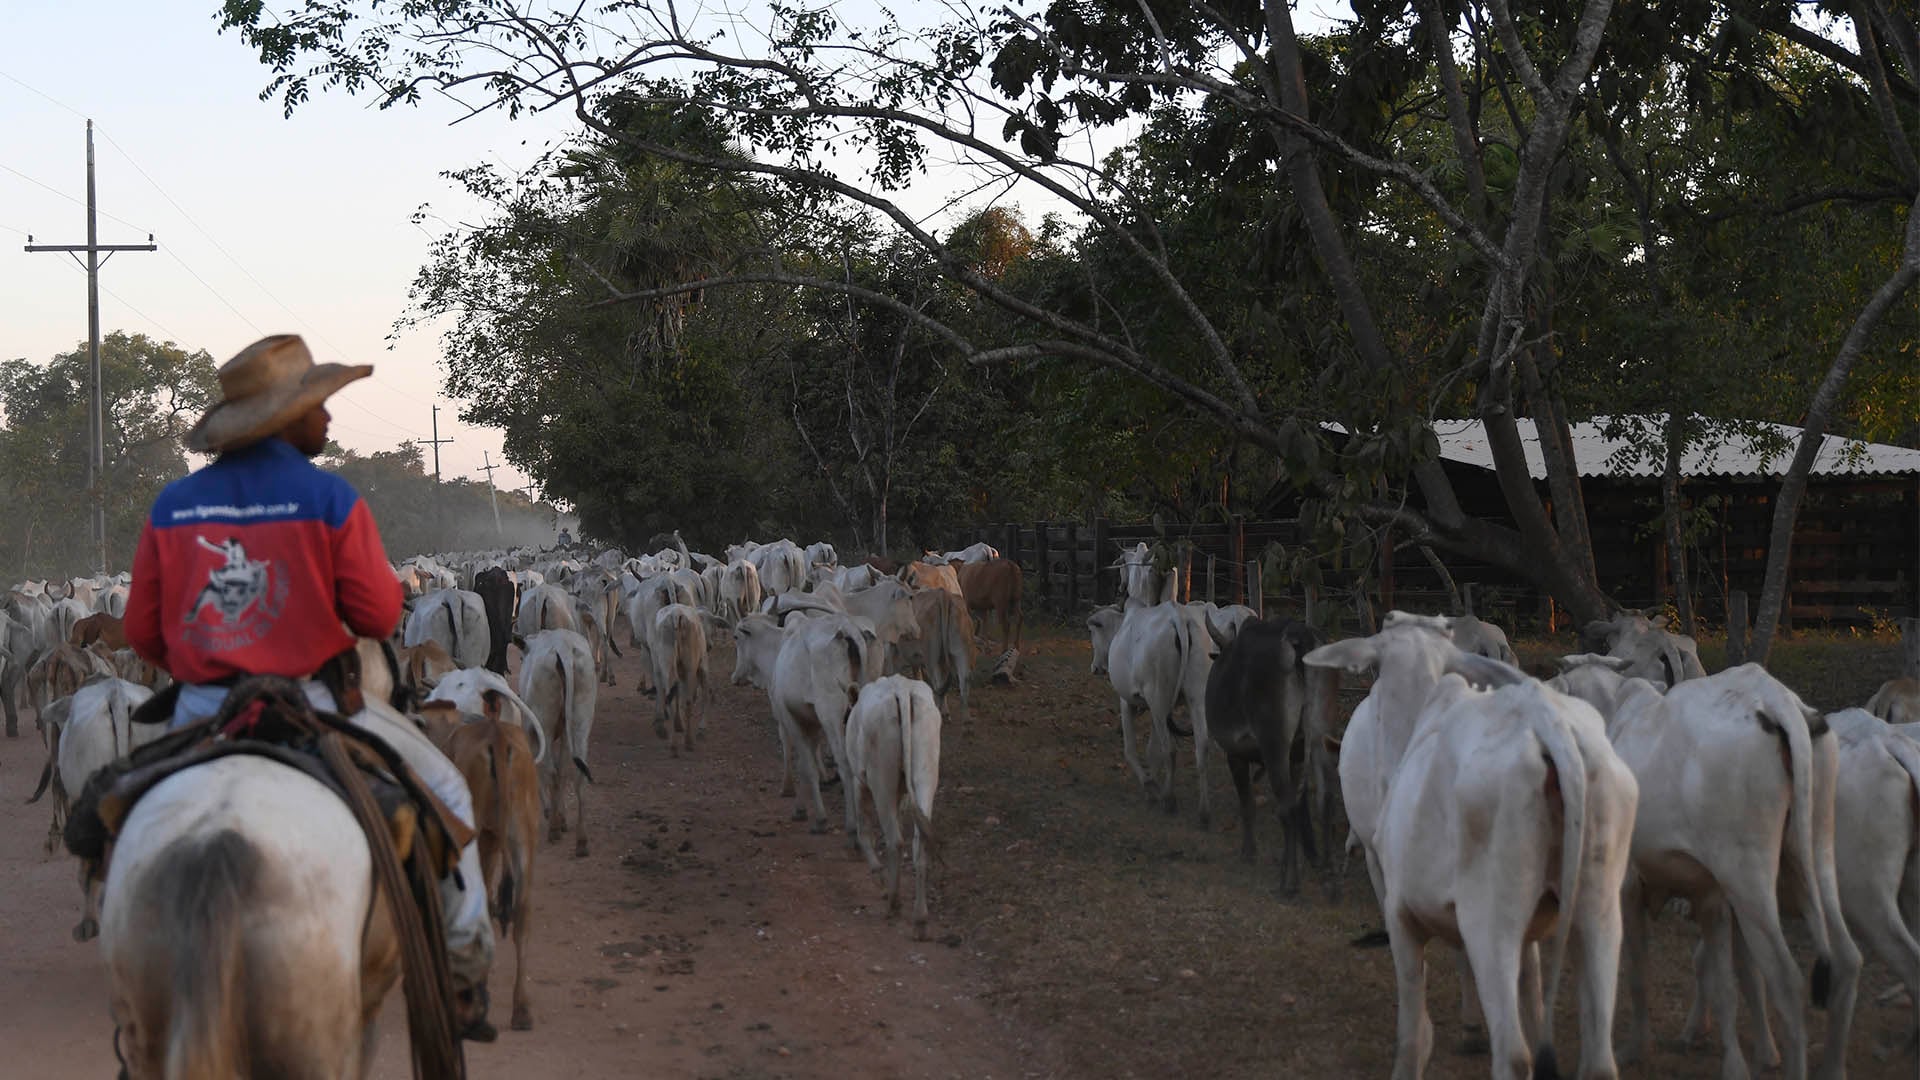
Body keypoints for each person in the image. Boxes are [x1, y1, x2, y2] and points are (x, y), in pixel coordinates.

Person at [124, 333, 495, 1005]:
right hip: (313, 702)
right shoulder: (328, 497)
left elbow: (142, 633)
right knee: (447, 788)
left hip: (204, 707)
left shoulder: (173, 505)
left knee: (119, 809)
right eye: (317, 405)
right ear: (284, 419)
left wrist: (207, 662)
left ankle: (131, 990)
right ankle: (465, 960)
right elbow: (378, 615)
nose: (327, 416)